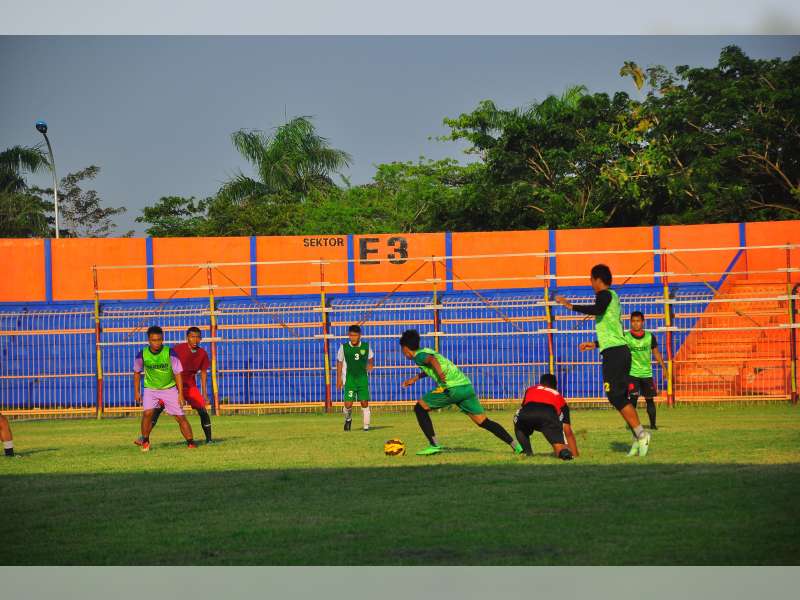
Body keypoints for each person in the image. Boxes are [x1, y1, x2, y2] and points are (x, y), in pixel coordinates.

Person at [555, 264, 652, 457]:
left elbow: (597, 308)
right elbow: (612, 331)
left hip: (615, 354)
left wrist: (570, 305)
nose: (590, 283)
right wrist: (595, 343)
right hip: (618, 350)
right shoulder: (614, 297)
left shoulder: (604, 295)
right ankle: (638, 435)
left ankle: (642, 434)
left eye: (591, 279)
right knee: (621, 397)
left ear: (598, 280)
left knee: (614, 396)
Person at [399, 329, 523, 456]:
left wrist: (441, 374)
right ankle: (517, 446)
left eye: (402, 350)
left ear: (406, 349)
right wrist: (415, 378)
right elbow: (431, 365)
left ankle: (434, 445)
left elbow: (431, 361)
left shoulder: (418, 356)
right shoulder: (425, 351)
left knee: (420, 408)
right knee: (483, 421)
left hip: (451, 388)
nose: (403, 353)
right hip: (466, 387)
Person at [136, 326, 213, 444]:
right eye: (192, 337)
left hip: (190, 384)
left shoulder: (202, 353)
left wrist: (204, 393)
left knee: (202, 410)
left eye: (198, 337)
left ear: (201, 339)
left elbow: (203, 373)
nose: (195, 340)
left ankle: (209, 440)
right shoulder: (177, 349)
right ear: (187, 338)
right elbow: (168, 364)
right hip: (174, 384)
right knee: (155, 410)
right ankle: (144, 437)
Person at [513, 373, 579, 460]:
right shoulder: (558, 396)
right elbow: (567, 429)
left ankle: (527, 452)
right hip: (547, 415)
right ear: (555, 386)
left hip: (526, 414)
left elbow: (524, 406)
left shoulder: (530, 389)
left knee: (518, 422)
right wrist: (575, 454)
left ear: (540, 383)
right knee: (559, 447)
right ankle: (565, 454)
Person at [336, 324, 374, 431]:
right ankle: (348, 419)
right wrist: (339, 379)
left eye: (355, 335)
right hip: (350, 380)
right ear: (348, 335)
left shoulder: (366, 346)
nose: (353, 338)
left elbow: (371, 357)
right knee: (348, 404)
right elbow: (339, 362)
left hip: (362, 379)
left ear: (359, 336)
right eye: (351, 335)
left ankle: (366, 427)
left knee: (364, 402)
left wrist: (371, 364)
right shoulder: (344, 347)